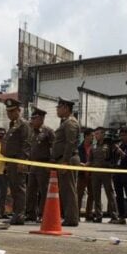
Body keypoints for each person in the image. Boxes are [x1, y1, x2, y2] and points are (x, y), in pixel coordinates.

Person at [51, 97, 81, 226]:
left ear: (66, 108)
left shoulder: (70, 123)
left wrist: (65, 161)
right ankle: (69, 217)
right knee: (65, 190)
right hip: (64, 158)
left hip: (67, 159)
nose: (57, 110)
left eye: (59, 107)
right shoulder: (65, 122)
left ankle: (72, 219)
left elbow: (70, 143)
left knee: (69, 190)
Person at [3, 98, 31, 224]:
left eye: (12, 111)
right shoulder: (13, 125)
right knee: (14, 188)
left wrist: (22, 160)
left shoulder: (23, 124)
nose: (10, 114)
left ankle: (20, 214)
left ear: (19, 110)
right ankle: (16, 213)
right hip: (11, 161)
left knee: (19, 188)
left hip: (18, 160)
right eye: (8, 112)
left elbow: (26, 143)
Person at [88, 127, 122, 224]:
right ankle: (98, 215)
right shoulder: (93, 146)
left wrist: (113, 165)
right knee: (96, 194)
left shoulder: (109, 145)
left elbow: (117, 155)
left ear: (103, 134)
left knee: (109, 193)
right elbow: (90, 160)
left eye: (98, 134)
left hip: (106, 172)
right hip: (95, 172)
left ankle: (114, 215)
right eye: (95, 134)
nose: (96, 136)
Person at [26, 107, 54, 222]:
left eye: (35, 119)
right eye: (32, 119)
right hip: (33, 165)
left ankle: (43, 214)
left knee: (43, 191)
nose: (32, 121)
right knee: (31, 190)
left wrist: (51, 163)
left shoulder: (48, 131)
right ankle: (30, 214)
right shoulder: (32, 132)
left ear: (41, 119)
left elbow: (54, 148)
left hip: (43, 165)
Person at [77, 128, 94, 221]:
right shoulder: (79, 148)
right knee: (79, 194)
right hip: (81, 173)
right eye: (91, 136)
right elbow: (76, 159)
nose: (93, 138)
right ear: (86, 136)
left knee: (91, 195)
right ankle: (77, 214)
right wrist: (82, 164)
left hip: (91, 173)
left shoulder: (94, 147)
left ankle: (89, 214)